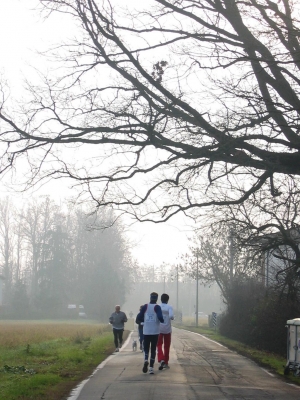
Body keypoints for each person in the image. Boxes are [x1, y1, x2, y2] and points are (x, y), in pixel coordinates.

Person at [136, 292, 164, 375]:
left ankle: (145, 360)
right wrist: (161, 320)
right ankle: (151, 368)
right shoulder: (157, 307)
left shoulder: (145, 306)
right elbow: (160, 317)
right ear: (157, 298)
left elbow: (139, 317)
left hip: (146, 331)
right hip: (155, 331)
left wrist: (142, 322)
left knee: (146, 348)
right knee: (153, 349)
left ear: (150, 298)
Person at [157, 293, 174, 370]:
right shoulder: (169, 307)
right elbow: (171, 316)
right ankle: (166, 362)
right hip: (167, 329)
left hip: (159, 329)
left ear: (161, 299)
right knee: (167, 346)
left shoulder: (158, 307)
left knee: (159, 345)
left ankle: (161, 359)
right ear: (167, 300)